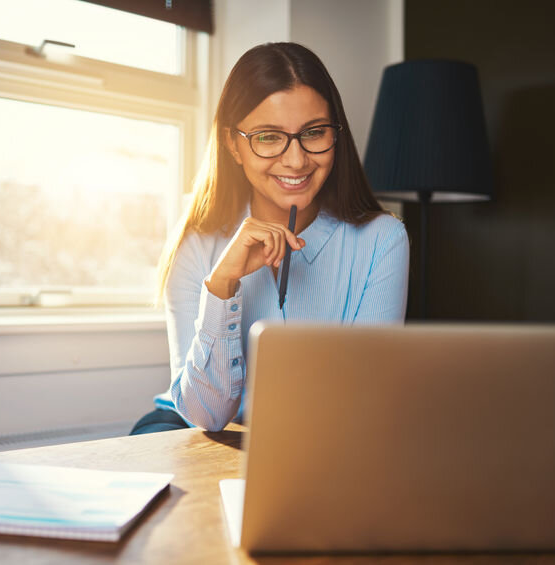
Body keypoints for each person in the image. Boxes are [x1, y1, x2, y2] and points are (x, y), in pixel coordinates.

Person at [130, 42, 409, 434]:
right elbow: (206, 415)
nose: (296, 160)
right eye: (268, 137)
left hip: (315, 438)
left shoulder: (383, 240)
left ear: (336, 133)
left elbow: (365, 400)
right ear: (233, 144)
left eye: (313, 132)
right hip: (192, 428)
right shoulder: (197, 242)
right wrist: (222, 287)